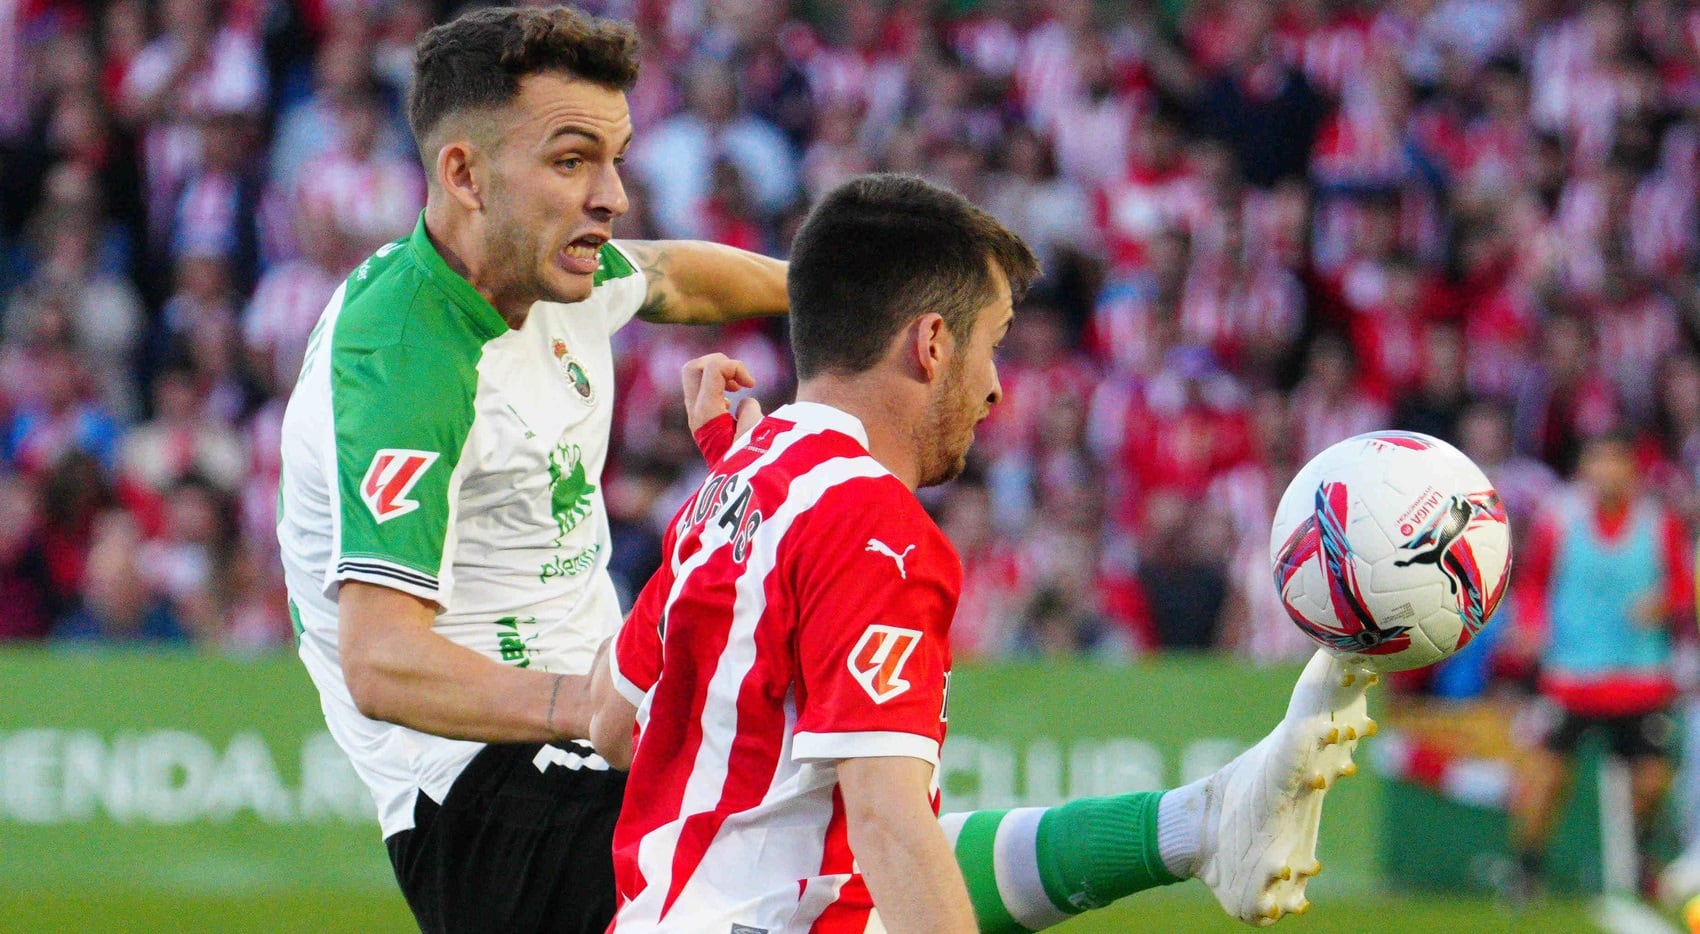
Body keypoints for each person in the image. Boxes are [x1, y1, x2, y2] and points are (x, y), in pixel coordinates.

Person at [590, 174, 1376, 932]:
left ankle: (1194, 824)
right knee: (898, 820)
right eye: (992, 344)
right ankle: (1197, 824)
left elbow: (612, 722)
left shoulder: (729, 487)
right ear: (932, 342)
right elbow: (887, 821)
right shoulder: (875, 524)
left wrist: (733, 469)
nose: (996, 387)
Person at [275, 8, 787, 933]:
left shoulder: (556, 273)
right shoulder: (403, 361)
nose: (614, 196)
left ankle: (1149, 835)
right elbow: (381, 661)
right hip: (479, 799)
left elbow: (675, 276)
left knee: (857, 836)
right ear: (464, 173)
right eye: (571, 160)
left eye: (617, 158)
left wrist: (832, 293)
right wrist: (588, 702)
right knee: (806, 881)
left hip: (602, 727)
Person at [1509, 428, 1691, 898]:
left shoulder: (1658, 522)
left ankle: (1641, 858)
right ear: (1584, 469)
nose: (1606, 471)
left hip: (1640, 676)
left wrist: (1664, 603)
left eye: (1615, 460)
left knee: (1651, 783)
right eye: (1596, 460)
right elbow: (1532, 582)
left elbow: (1683, 585)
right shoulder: (1560, 519)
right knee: (1545, 778)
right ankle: (1526, 872)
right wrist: (1530, 624)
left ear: (1632, 470)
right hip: (1571, 674)